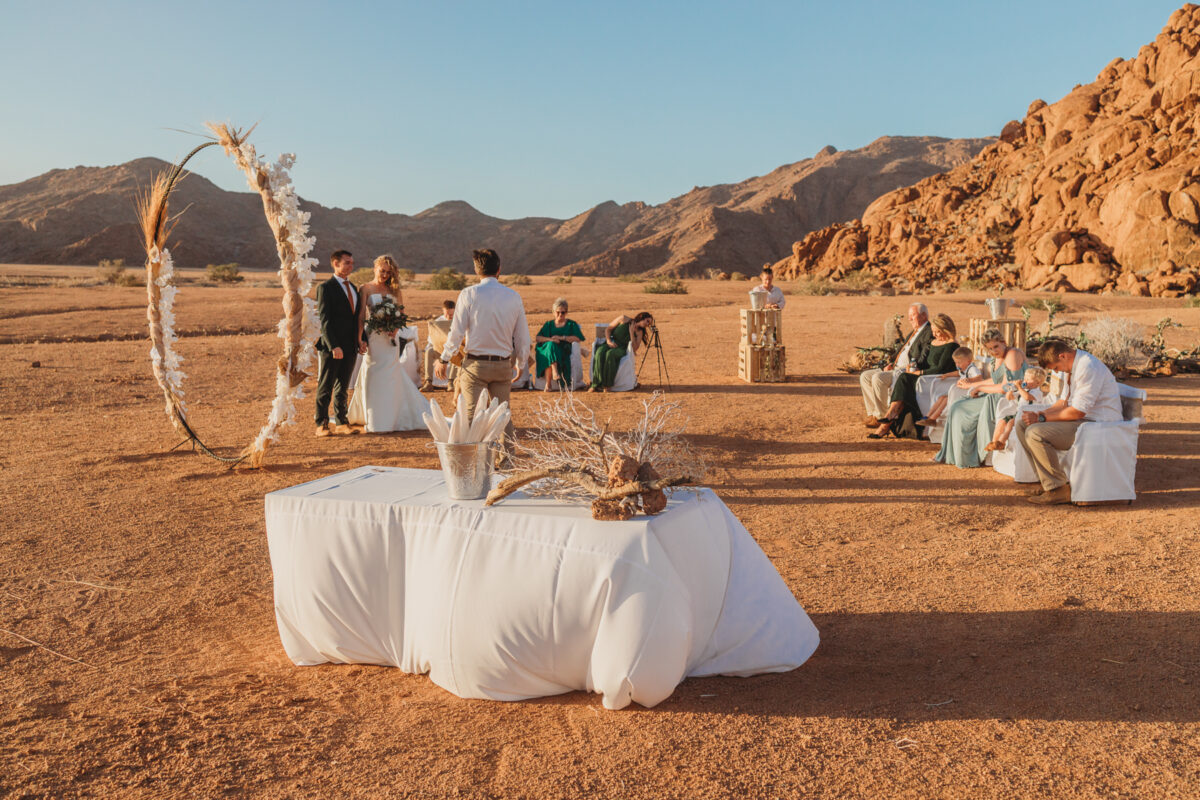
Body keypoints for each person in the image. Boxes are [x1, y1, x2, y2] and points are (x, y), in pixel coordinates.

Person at [434, 249, 529, 443]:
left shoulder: (468, 294)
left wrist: (444, 358)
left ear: (476, 270)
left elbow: (456, 332)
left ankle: (469, 461)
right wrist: (521, 363)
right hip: (503, 365)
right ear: (499, 269)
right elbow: (522, 336)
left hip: (475, 366)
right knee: (503, 415)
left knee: (471, 415)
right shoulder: (513, 296)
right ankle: (507, 462)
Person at [1015, 340, 1123, 505]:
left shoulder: (1088, 367)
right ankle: (1048, 484)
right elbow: (1063, 402)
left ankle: (1057, 489)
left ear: (1063, 356)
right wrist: (1039, 414)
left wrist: (1041, 419)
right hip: (1082, 420)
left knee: (1035, 433)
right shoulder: (1071, 367)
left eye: (1056, 368)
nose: (1057, 371)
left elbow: (1078, 411)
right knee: (1022, 425)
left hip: (1098, 424)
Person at [347, 255, 430, 432]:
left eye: (388, 272)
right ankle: (372, 415)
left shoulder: (394, 290)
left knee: (391, 374)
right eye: (382, 270)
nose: (384, 274)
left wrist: (395, 329)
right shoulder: (365, 288)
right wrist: (360, 338)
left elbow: (401, 313)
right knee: (371, 372)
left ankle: (391, 415)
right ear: (375, 268)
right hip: (373, 338)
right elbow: (361, 315)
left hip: (390, 338)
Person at [934, 329, 1027, 468]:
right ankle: (952, 454)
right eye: (989, 349)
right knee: (957, 404)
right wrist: (971, 384)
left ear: (1003, 342)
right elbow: (994, 380)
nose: (994, 351)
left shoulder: (1012, 354)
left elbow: (1005, 387)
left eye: (996, 346)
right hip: (996, 394)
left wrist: (978, 388)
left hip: (1009, 399)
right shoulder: (996, 358)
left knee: (961, 410)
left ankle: (968, 458)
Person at [867, 313, 958, 438]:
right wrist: (914, 367)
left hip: (936, 380)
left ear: (946, 330)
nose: (935, 335)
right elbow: (925, 362)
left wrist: (918, 372)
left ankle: (889, 418)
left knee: (905, 378)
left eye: (938, 332)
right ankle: (890, 417)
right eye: (933, 332)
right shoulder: (933, 342)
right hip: (925, 377)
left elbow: (940, 368)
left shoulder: (952, 345)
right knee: (905, 377)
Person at [314, 249, 365, 436]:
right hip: (332, 346)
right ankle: (321, 424)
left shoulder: (353, 288)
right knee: (326, 385)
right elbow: (324, 320)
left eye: (352, 262)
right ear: (335, 264)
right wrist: (333, 345)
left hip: (350, 345)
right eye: (347, 263)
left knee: (342, 386)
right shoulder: (325, 288)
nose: (351, 266)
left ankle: (342, 422)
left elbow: (357, 319)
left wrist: (362, 340)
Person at [860, 304, 932, 426]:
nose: (909, 319)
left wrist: (909, 368)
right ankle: (874, 413)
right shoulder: (914, 332)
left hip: (906, 370)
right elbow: (901, 351)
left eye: (913, 316)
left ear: (924, 316)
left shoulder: (928, 332)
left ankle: (883, 418)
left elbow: (923, 356)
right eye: (909, 316)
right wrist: (891, 364)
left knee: (878, 378)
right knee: (865, 376)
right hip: (896, 367)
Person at [984, 367, 1047, 452]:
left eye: (1028, 379)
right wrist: (1011, 390)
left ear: (1037, 383)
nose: (1025, 381)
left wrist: (1019, 388)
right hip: (1018, 414)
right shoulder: (1024, 390)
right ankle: (994, 442)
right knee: (1002, 422)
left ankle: (1001, 442)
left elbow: (1027, 397)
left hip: (1028, 415)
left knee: (1010, 422)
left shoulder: (1037, 392)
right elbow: (1009, 398)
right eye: (1025, 378)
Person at [917, 347, 983, 427]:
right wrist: (946, 375)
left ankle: (933, 419)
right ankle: (927, 416)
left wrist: (968, 380)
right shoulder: (964, 368)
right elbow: (958, 373)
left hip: (967, 392)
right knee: (941, 397)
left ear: (968, 362)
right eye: (956, 363)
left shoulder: (972, 368)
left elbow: (979, 378)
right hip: (959, 391)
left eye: (959, 362)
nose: (957, 365)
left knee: (946, 399)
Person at [590, 312, 654, 392]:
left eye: (649, 323)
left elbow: (634, 349)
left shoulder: (639, 332)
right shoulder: (623, 318)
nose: (647, 325)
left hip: (622, 348)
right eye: (647, 321)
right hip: (611, 342)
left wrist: (631, 333)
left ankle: (607, 385)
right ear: (642, 317)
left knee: (610, 354)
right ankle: (595, 384)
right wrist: (609, 341)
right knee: (599, 352)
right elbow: (608, 329)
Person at [534, 298, 584, 391]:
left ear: (566, 312)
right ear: (553, 312)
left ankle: (548, 385)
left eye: (563, 312)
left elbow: (578, 338)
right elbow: (538, 338)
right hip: (547, 349)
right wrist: (551, 339)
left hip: (563, 349)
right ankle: (554, 370)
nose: (560, 314)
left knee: (550, 350)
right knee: (550, 346)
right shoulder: (548, 324)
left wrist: (561, 338)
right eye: (558, 312)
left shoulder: (571, 324)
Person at [421, 300, 456, 391]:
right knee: (429, 352)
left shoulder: (459, 321)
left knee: (456, 352)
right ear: (443, 311)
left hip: (454, 350)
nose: (448, 317)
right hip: (440, 349)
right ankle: (428, 382)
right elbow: (431, 339)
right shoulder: (438, 321)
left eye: (451, 315)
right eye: (446, 314)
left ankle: (451, 382)